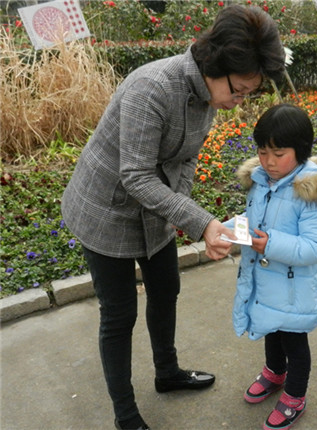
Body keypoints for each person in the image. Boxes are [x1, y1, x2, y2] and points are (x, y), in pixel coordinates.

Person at [61, 4, 285, 430]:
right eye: (238, 90)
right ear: (214, 65)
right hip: (106, 209)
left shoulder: (208, 95)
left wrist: (183, 214)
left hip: (154, 206)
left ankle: (167, 373)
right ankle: (126, 415)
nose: (239, 101)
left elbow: (186, 158)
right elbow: (135, 175)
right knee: (119, 314)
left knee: (166, 288)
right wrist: (200, 222)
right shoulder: (152, 88)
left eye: (247, 94)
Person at [224, 104, 317, 430]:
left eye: (279, 154)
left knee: (294, 342)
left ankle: (295, 396)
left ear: (300, 150)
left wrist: (271, 244)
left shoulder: (310, 191)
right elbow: (252, 222)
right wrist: (223, 232)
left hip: (295, 289)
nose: (269, 161)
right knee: (270, 328)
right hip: (266, 282)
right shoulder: (261, 181)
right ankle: (274, 373)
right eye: (263, 152)